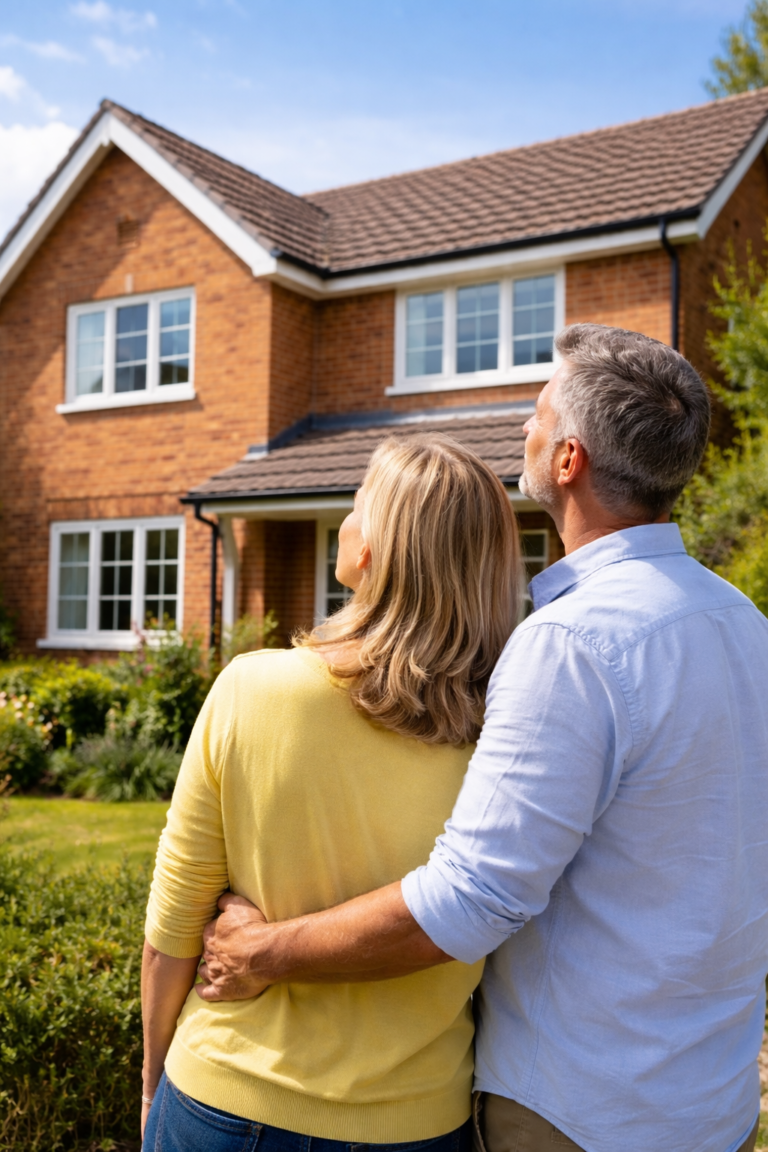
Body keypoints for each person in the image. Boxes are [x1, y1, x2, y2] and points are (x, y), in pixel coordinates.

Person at [198, 324, 768, 1152]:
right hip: (710, 1102)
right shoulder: (745, 625)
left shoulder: (572, 643)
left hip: (579, 1110)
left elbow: (471, 901)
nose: (523, 432)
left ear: (568, 460)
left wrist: (264, 951)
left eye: (537, 416)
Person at [140, 434, 521, 1151]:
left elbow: (173, 926)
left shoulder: (253, 688)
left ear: (373, 550)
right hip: (418, 1120)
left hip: (226, 1096)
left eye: (357, 504)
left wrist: (150, 1073)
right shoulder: (509, 734)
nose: (347, 521)